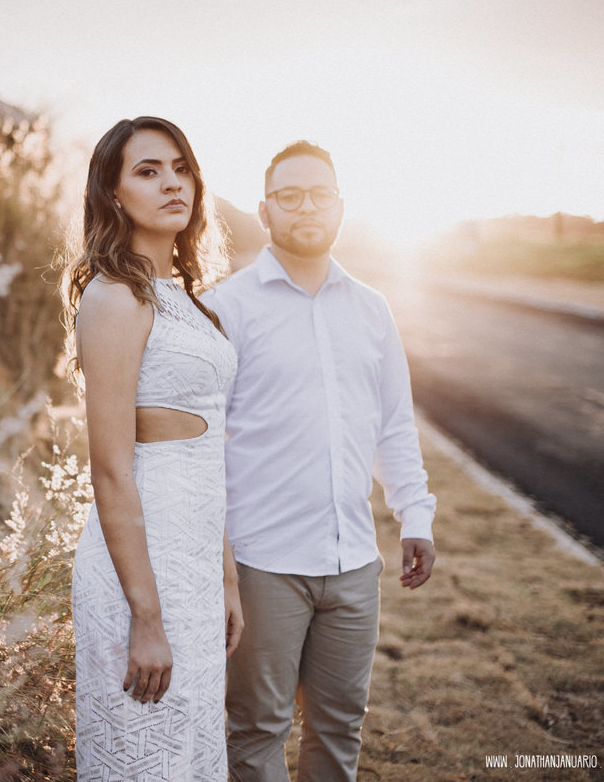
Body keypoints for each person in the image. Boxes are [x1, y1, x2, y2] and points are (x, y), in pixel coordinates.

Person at [203, 141, 437, 782]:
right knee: (256, 732)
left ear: (340, 206)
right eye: (289, 195)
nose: (306, 206)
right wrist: (219, 563)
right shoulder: (228, 308)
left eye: (320, 194)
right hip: (263, 564)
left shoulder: (372, 308)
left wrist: (414, 513)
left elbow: (393, 423)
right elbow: (205, 446)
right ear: (265, 209)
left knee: (339, 731)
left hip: (354, 564)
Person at [62, 116, 244, 781]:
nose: (172, 182)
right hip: (141, 567)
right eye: (147, 170)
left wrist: (224, 575)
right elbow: (111, 470)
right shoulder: (115, 297)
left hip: (194, 566)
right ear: (113, 194)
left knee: (191, 751)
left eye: (180, 167)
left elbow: (208, 457)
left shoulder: (190, 303)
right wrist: (145, 615)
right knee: (144, 755)